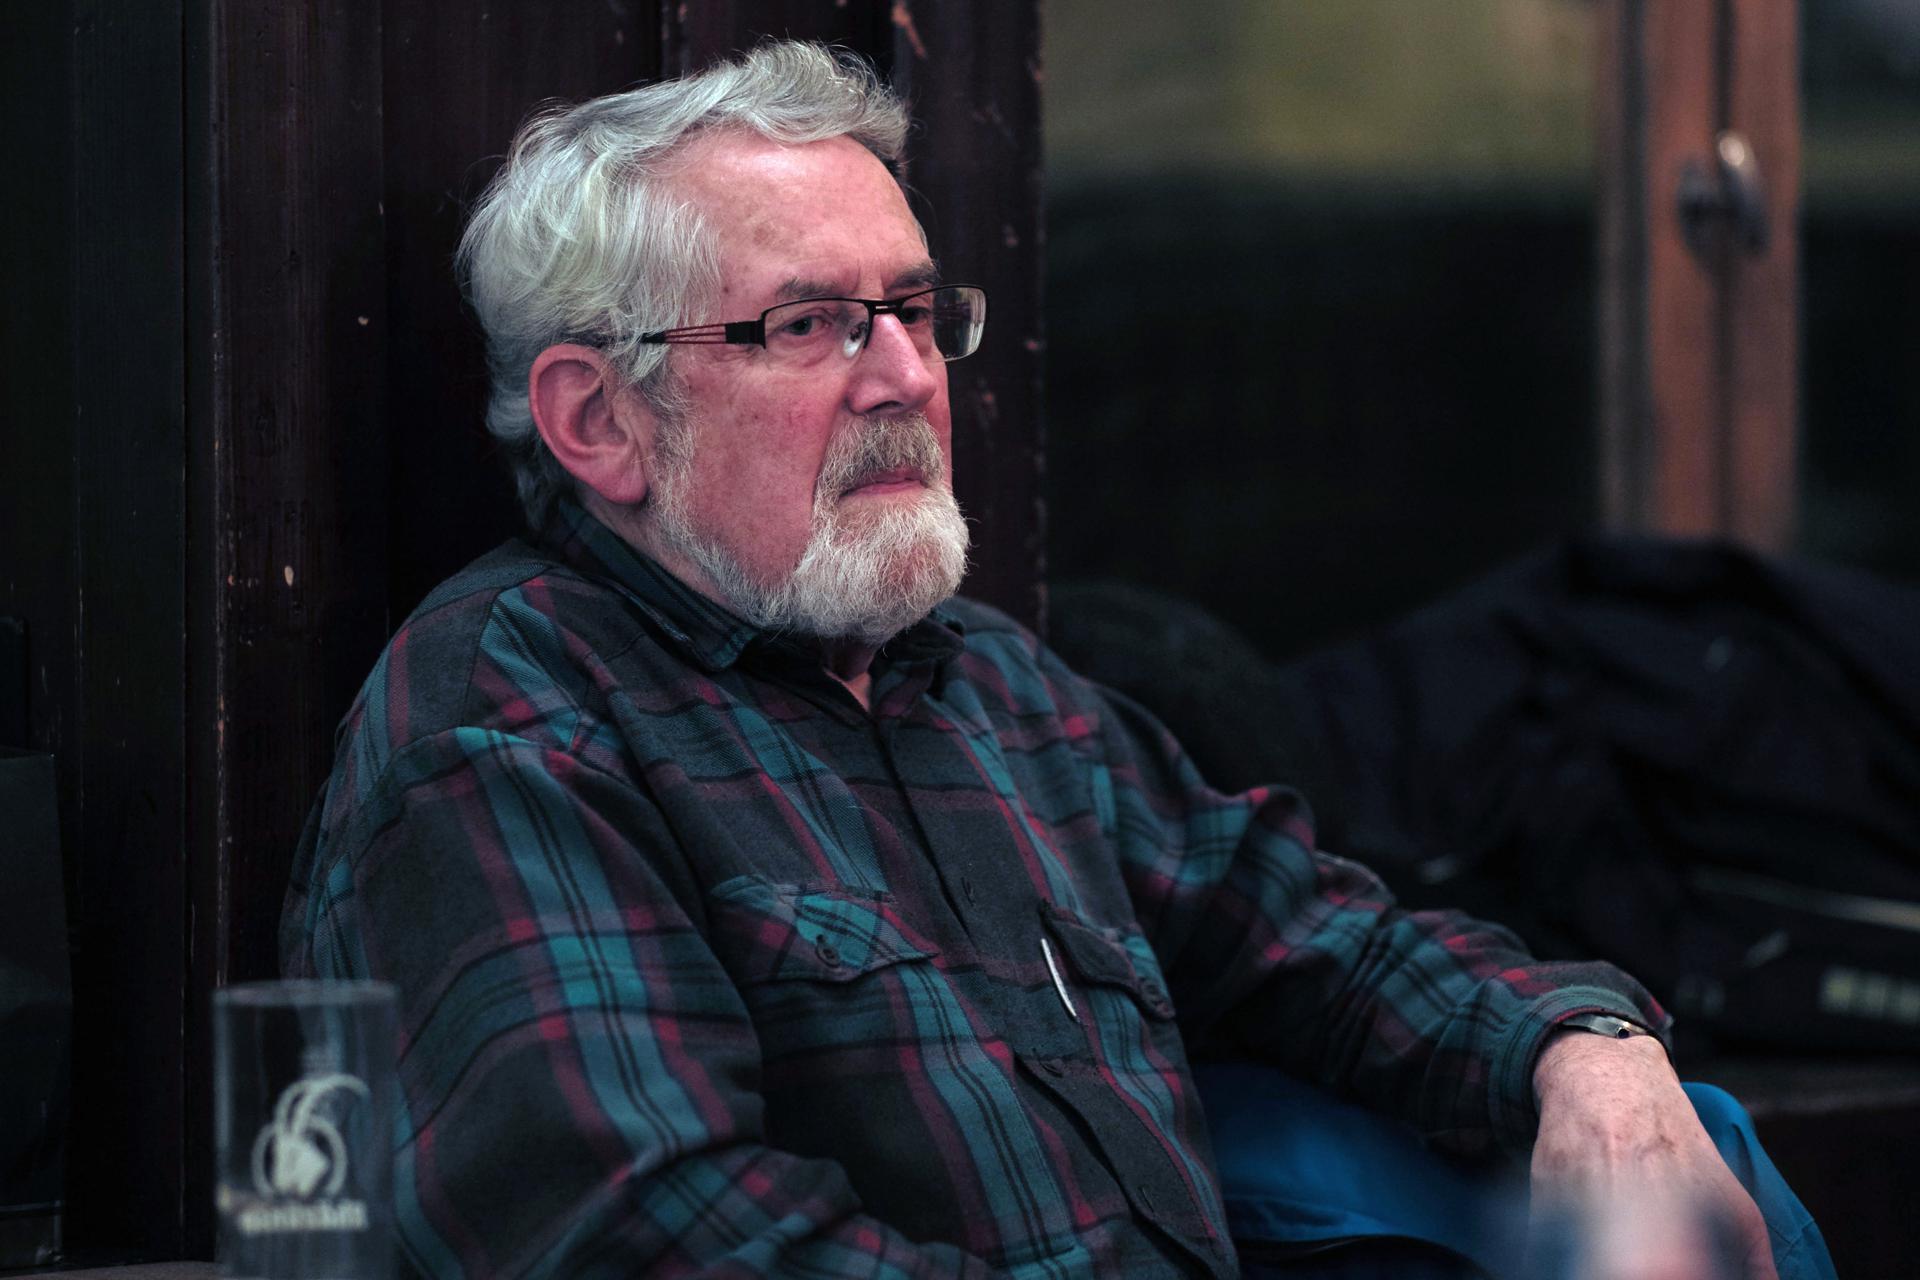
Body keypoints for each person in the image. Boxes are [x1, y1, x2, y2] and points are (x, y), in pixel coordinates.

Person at [281, 41, 1812, 1279]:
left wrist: (1585, 1046)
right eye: (810, 325)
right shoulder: (505, 726)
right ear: (598, 419)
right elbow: (661, 1240)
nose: (904, 376)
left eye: (913, 310)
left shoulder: (984, 682)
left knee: (1702, 1159)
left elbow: (1319, 941)